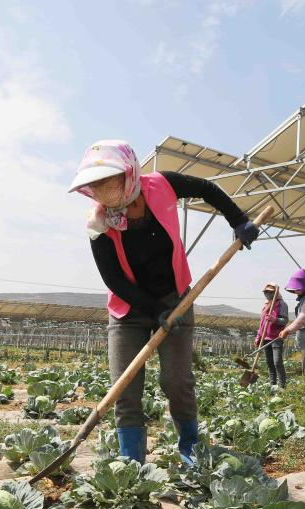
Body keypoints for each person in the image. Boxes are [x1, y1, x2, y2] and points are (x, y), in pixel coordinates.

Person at [68, 140, 259, 463]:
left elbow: (207, 189)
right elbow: (113, 279)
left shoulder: (163, 185)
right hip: (128, 310)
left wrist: (238, 219)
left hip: (176, 297)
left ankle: (190, 449)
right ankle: (131, 464)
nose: (103, 192)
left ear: (129, 173)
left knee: (176, 381)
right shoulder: (98, 223)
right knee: (124, 388)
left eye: (108, 182)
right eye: (96, 185)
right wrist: (156, 310)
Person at [254, 282, 289, 388]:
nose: (267, 294)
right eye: (266, 292)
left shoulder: (281, 304)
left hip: (276, 338)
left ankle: (282, 386)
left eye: (270, 292)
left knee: (277, 362)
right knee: (269, 363)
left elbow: (285, 320)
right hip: (265, 338)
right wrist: (258, 337)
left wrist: (275, 319)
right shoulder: (265, 305)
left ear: (275, 293)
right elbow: (262, 324)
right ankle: (272, 384)